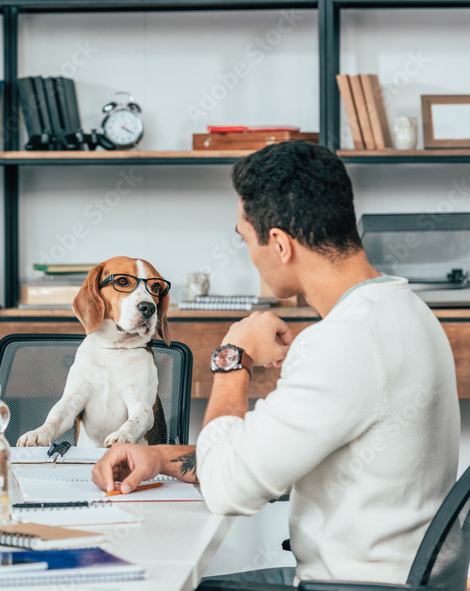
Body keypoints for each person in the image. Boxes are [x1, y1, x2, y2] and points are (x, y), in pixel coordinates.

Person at [93, 141, 460, 586]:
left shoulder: (345, 342)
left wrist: (233, 356)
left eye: (246, 240)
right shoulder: (407, 311)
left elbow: (229, 487)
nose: (250, 254)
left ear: (281, 245)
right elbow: (266, 454)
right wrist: (159, 458)